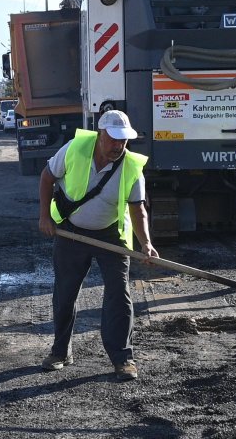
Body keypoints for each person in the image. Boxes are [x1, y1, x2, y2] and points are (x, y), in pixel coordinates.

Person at [37, 110, 158, 382]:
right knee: (65, 293)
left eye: (123, 140)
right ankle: (60, 352)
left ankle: (123, 358)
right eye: (113, 139)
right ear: (100, 134)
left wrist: (146, 244)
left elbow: (138, 210)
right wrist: (44, 216)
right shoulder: (75, 149)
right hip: (70, 232)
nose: (118, 145)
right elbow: (47, 177)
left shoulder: (131, 167)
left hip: (111, 234)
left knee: (119, 294)